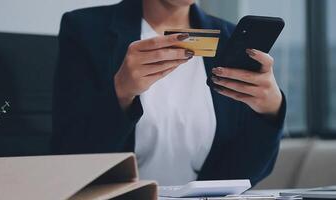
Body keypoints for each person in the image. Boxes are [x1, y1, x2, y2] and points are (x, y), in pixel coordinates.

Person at [51, 0, 286, 186]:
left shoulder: (229, 39)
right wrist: (120, 92)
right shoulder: (86, 30)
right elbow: (71, 155)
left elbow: (244, 174)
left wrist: (270, 112)